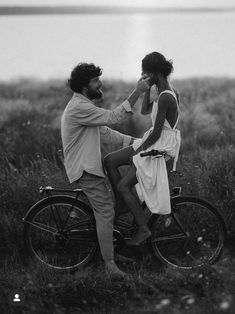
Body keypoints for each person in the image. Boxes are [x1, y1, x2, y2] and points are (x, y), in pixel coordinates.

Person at [61, 62, 150, 278]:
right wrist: (138, 91)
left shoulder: (84, 108)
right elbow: (113, 117)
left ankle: (110, 248)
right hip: (85, 169)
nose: (100, 84)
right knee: (106, 212)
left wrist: (140, 143)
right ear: (84, 86)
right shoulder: (79, 108)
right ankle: (110, 265)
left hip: (88, 167)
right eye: (95, 81)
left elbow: (107, 133)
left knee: (113, 207)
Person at [104, 51, 181, 246]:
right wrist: (146, 88)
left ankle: (143, 228)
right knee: (110, 161)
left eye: (145, 72)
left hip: (157, 145)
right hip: (152, 140)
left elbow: (156, 133)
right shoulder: (160, 92)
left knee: (123, 185)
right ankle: (123, 203)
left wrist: (138, 153)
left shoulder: (166, 96)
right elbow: (145, 110)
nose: (143, 75)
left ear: (154, 72)